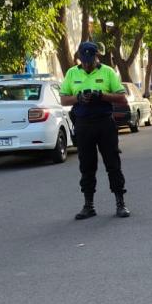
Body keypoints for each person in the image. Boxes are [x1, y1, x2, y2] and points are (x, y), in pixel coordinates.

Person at [59, 41, 131, 219]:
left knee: (112, 164)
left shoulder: (107, 72)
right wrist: (78, 98)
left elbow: (122, 98)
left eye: (89, 60)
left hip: (104, 123)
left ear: (96, 57)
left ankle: (120, 203)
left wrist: (102, 96)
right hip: (83, 124)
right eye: (83, 60)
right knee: (86, 166)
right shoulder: (72, 73)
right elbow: (63, 99)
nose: (86, 63)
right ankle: (88, 205)